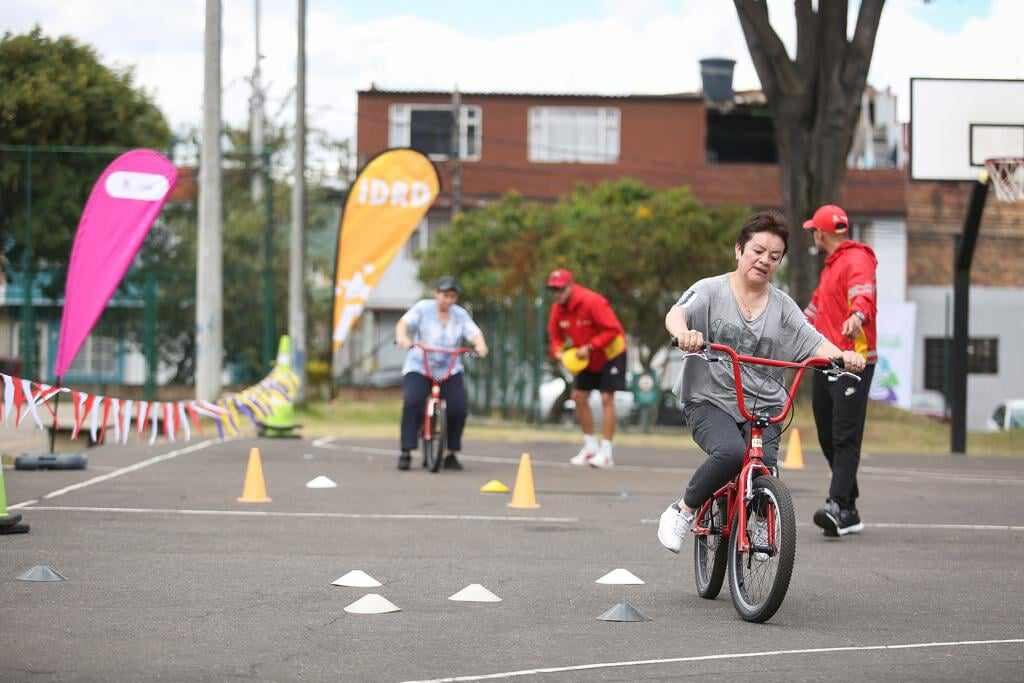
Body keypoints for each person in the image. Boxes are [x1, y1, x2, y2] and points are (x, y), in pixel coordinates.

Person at [657, 211, 865, 554]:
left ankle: (760, 520)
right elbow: (676, 314)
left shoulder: (783, 306)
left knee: (765, 468)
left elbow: (812, 341)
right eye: (757, 251)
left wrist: (843, 356)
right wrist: (684, 334)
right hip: (711, 400)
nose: (764, 260)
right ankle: (684, 509)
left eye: (774, 256)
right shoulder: (710, 290)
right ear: (739, 250)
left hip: (764, 406)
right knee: (731, 453)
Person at [803, 204, 878, 537]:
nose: (813, 237)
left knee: (845, 434)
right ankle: (848, 504)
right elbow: (814, 310)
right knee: (826, 433)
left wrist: (857, 316)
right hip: (826, 359)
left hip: (854, 360)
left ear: (821, 233)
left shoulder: (857, 258)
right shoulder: (830, 267)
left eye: (813, 232)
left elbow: (864, 295)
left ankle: (838, 505)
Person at [395, 276, 488, 471]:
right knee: (413, 400)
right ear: (436, 294)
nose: (448, 300)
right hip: (421, 365)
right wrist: (403, 338)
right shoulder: (423, 309)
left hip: (449, 368)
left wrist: (480, 345)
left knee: (458, 407)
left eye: (453, 296)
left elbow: (474, 333)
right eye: (445, 295)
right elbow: (403, 324)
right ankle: (406, 450)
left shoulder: (460, 315)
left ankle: (451, 453)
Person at [546, 269, 627, 468]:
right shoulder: (557, 309)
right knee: (579, 397)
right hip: (585, 359)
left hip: (610, 354)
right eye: (553, 289)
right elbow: (555, 336)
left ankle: (606, 452)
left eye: (560, 289)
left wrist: (591, 346)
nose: (557, 293)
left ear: (570, 286)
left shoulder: (592, 301)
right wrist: (558, 351)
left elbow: (613, 330)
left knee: (607, 398)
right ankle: (590, 448)